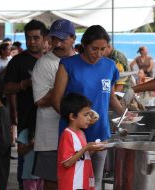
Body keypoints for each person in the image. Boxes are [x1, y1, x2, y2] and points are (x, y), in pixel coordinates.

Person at [53, 25, 125, 190]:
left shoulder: (110, 66)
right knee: (72, 179)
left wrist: (125, 115)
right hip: (73, 136)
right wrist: (76, 124)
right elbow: (57, 101)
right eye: (94, 49)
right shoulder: (67, 65)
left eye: (103, 49)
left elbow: (110, 97)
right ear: (84, 44)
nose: (98, 54)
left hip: (100, 132)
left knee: (95, 181)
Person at [4, 19, 48, 190]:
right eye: (28, 38)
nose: (32, 42)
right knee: (27, 168)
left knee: (48, 170)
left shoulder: (53, 59)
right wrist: (25, 84)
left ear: (45, 38)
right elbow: (7, 88)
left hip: (51, 119)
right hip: (27, 119)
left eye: (36, 38)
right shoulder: (18, 61)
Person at [31, 18, 76, 189]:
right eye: (54, 39)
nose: (57, 43)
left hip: (75, 132)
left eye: (62, 39)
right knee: (52, 180)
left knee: (73, 178)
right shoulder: (44, 64)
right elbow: (40, 101)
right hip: (50, 136)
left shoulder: (80, 61)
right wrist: (60, 86)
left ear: (73, 38)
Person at [58, 93, 104, 190]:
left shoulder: (81, 133)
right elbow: (67, 163)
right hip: (73, 184)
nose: (89, 118)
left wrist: (93, 149)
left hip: (83, 182)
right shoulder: (67, 134)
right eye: (85, 115)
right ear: (72, 116)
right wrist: (86, 148)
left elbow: (82, 157)